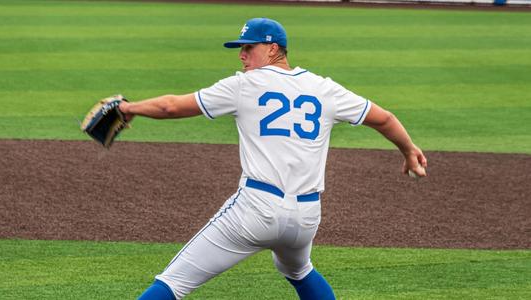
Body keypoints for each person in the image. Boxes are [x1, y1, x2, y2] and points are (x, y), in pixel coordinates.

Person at [120, 17, 427, 300]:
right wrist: (409, 151)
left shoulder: (244, 86)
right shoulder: (325, 89)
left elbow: (170, 107)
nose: (242, 55)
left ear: (273, 48)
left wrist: (128, 109)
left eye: (248, 48)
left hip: (256, 211)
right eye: (240, 49)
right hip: (306, 218)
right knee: (299, 270)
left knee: (173, 282)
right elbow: (384, 118)